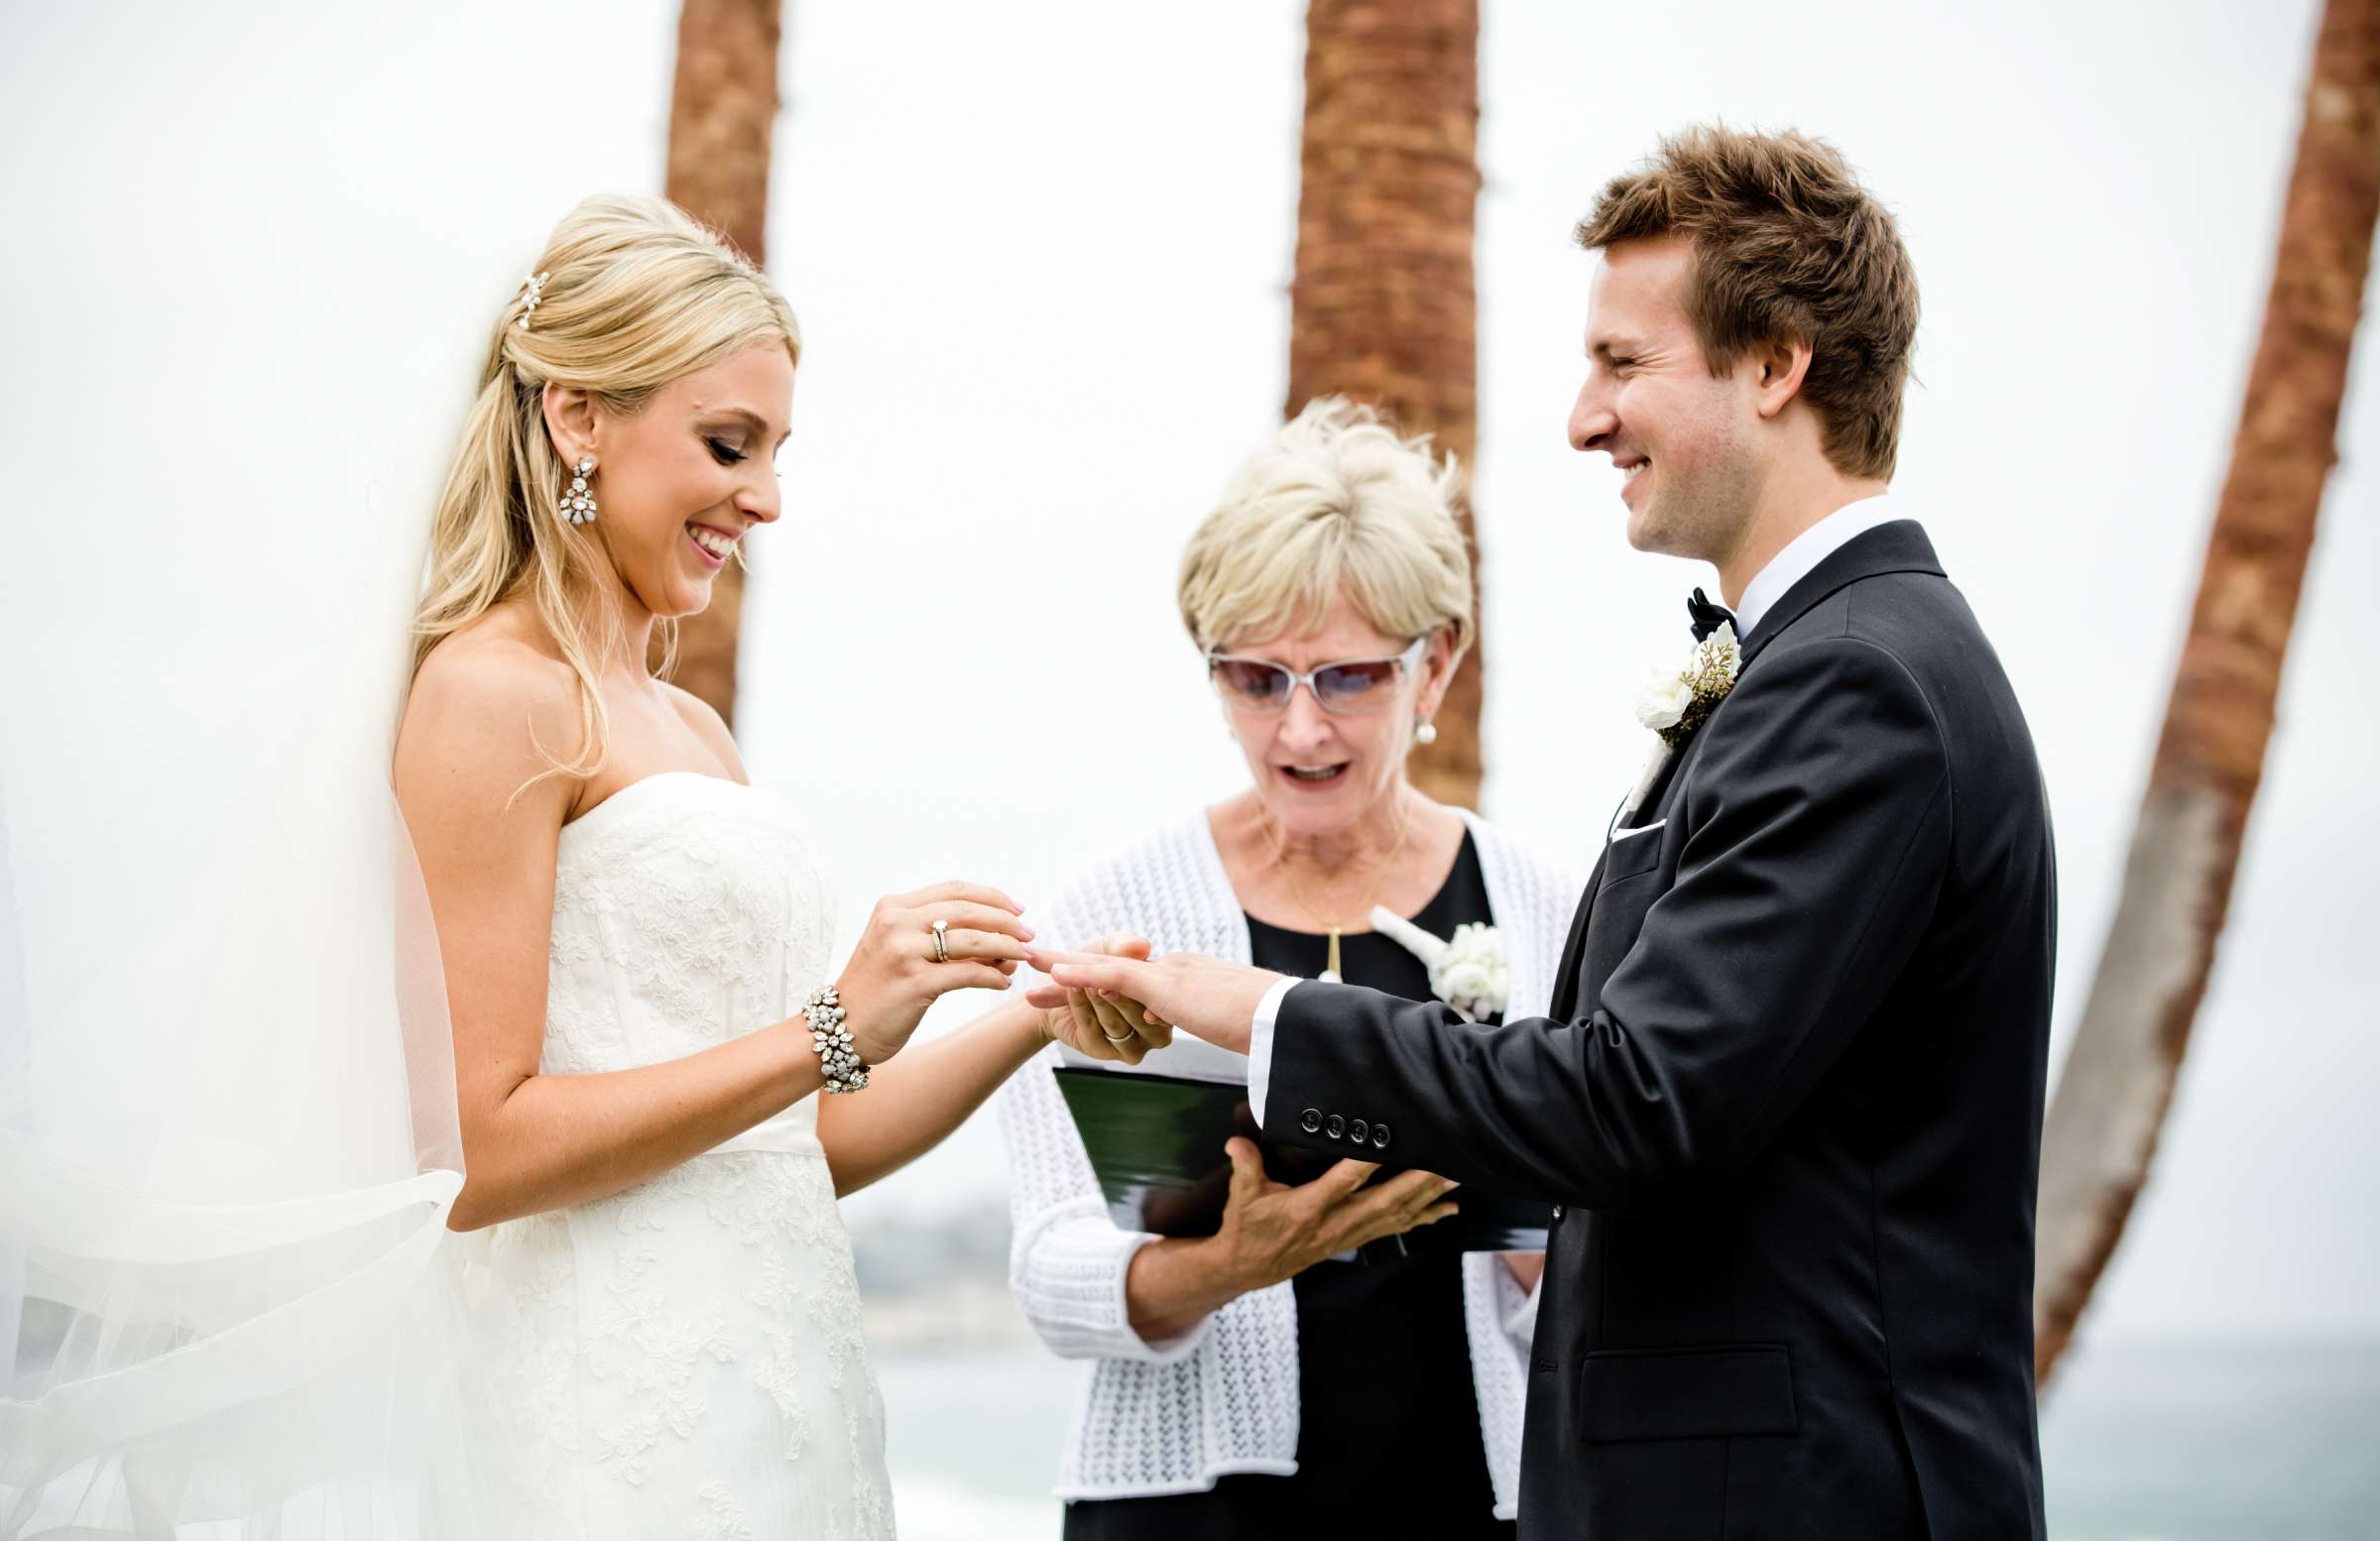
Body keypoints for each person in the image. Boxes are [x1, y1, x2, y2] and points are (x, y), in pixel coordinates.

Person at [1039, 128, 2057, 1539]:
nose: (1586, 418)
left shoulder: (1857, 683)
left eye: (1625, 364)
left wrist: (1254, 1008)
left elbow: (1638, 1103)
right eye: (1253, 676)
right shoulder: (1818, 666)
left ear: (1776, 366)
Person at [390, 194, 1157, 1537]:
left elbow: (804, 1139)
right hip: (601, 1403)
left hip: (779, 1379)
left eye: (778, 453)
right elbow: (475, 1152)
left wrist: (1032, 1020)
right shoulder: (488, 695)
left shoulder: (691, 725)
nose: (767, 498)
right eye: (728, 444)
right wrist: (828, 1029)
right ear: (579, 417)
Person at [1000, 399, 1585, 1537]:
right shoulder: (1112, 911)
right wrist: (1227, 1262)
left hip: (1477, 1501)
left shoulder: (1548, 912)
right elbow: (1050, 1269)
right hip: (1188, 1508)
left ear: (1437, 664)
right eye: (1256, 679)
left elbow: (1616, 1262)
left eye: (1348, 678)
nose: (1300, 730)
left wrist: (1546, 1257)